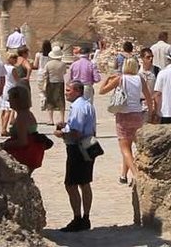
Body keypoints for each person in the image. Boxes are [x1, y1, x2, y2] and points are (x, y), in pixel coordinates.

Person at [54, 80, 97, 232]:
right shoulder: (87, 104)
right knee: (85, 183)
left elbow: (76, 133)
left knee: (71, 184)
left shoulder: (78, 107)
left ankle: (78, 218)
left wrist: (61, 133)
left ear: (77, 91)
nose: (66, 92)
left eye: (68, 90)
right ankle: (85, 217)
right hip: (89, 146)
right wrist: (66, 125)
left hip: (77, 149)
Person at [100, 57, 150, 185]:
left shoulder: (121, 79)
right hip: (137, 114)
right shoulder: (140, 79)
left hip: (123, 115)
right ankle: (123, 175)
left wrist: (107, 77)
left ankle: (136, 174)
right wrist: (152, 111)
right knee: (132, 146)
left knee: (125, 148)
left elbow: (102, 91)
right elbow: (148, 97)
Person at [1, 86, 48, 175]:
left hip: (25, 154)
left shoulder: (22, 117)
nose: (8, 101)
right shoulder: (28, 114)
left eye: (10, 98)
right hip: (33, 153)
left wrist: (3, 145)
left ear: (17, 100)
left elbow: (22, 141)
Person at [44, 46, 67, 125]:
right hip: (60, 82)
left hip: (50, 82)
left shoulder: (48, 64)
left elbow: (45, 74)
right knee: (61, 100)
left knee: (50, 100)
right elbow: (64, 73)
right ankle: (62, 119)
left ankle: (50, 119)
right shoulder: (63, 64)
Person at [0, 53, 19, 136]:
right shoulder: (12, 69)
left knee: (3, 110)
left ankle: (3, 127)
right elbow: (17, 79)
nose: (16, 60)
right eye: (15, 58)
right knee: (8, 110)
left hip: (4, 89)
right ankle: (4, 129)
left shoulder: (3, 67)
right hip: (11, 89)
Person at [138, 48, 157, 121]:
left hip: (152, 103)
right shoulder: (137, 71)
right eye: (148, 57)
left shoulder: (157, 70)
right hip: (139, 104)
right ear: (142, 58)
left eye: (152, 56)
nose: (151, 58)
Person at [33, 40, 52, 110]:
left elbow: (35, 65)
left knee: (41, 89)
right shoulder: (51, 55)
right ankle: (48, 102)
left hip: (40, 72)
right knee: (48, 88)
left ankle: (42, 100)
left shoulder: (38, 54)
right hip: (49, 72)